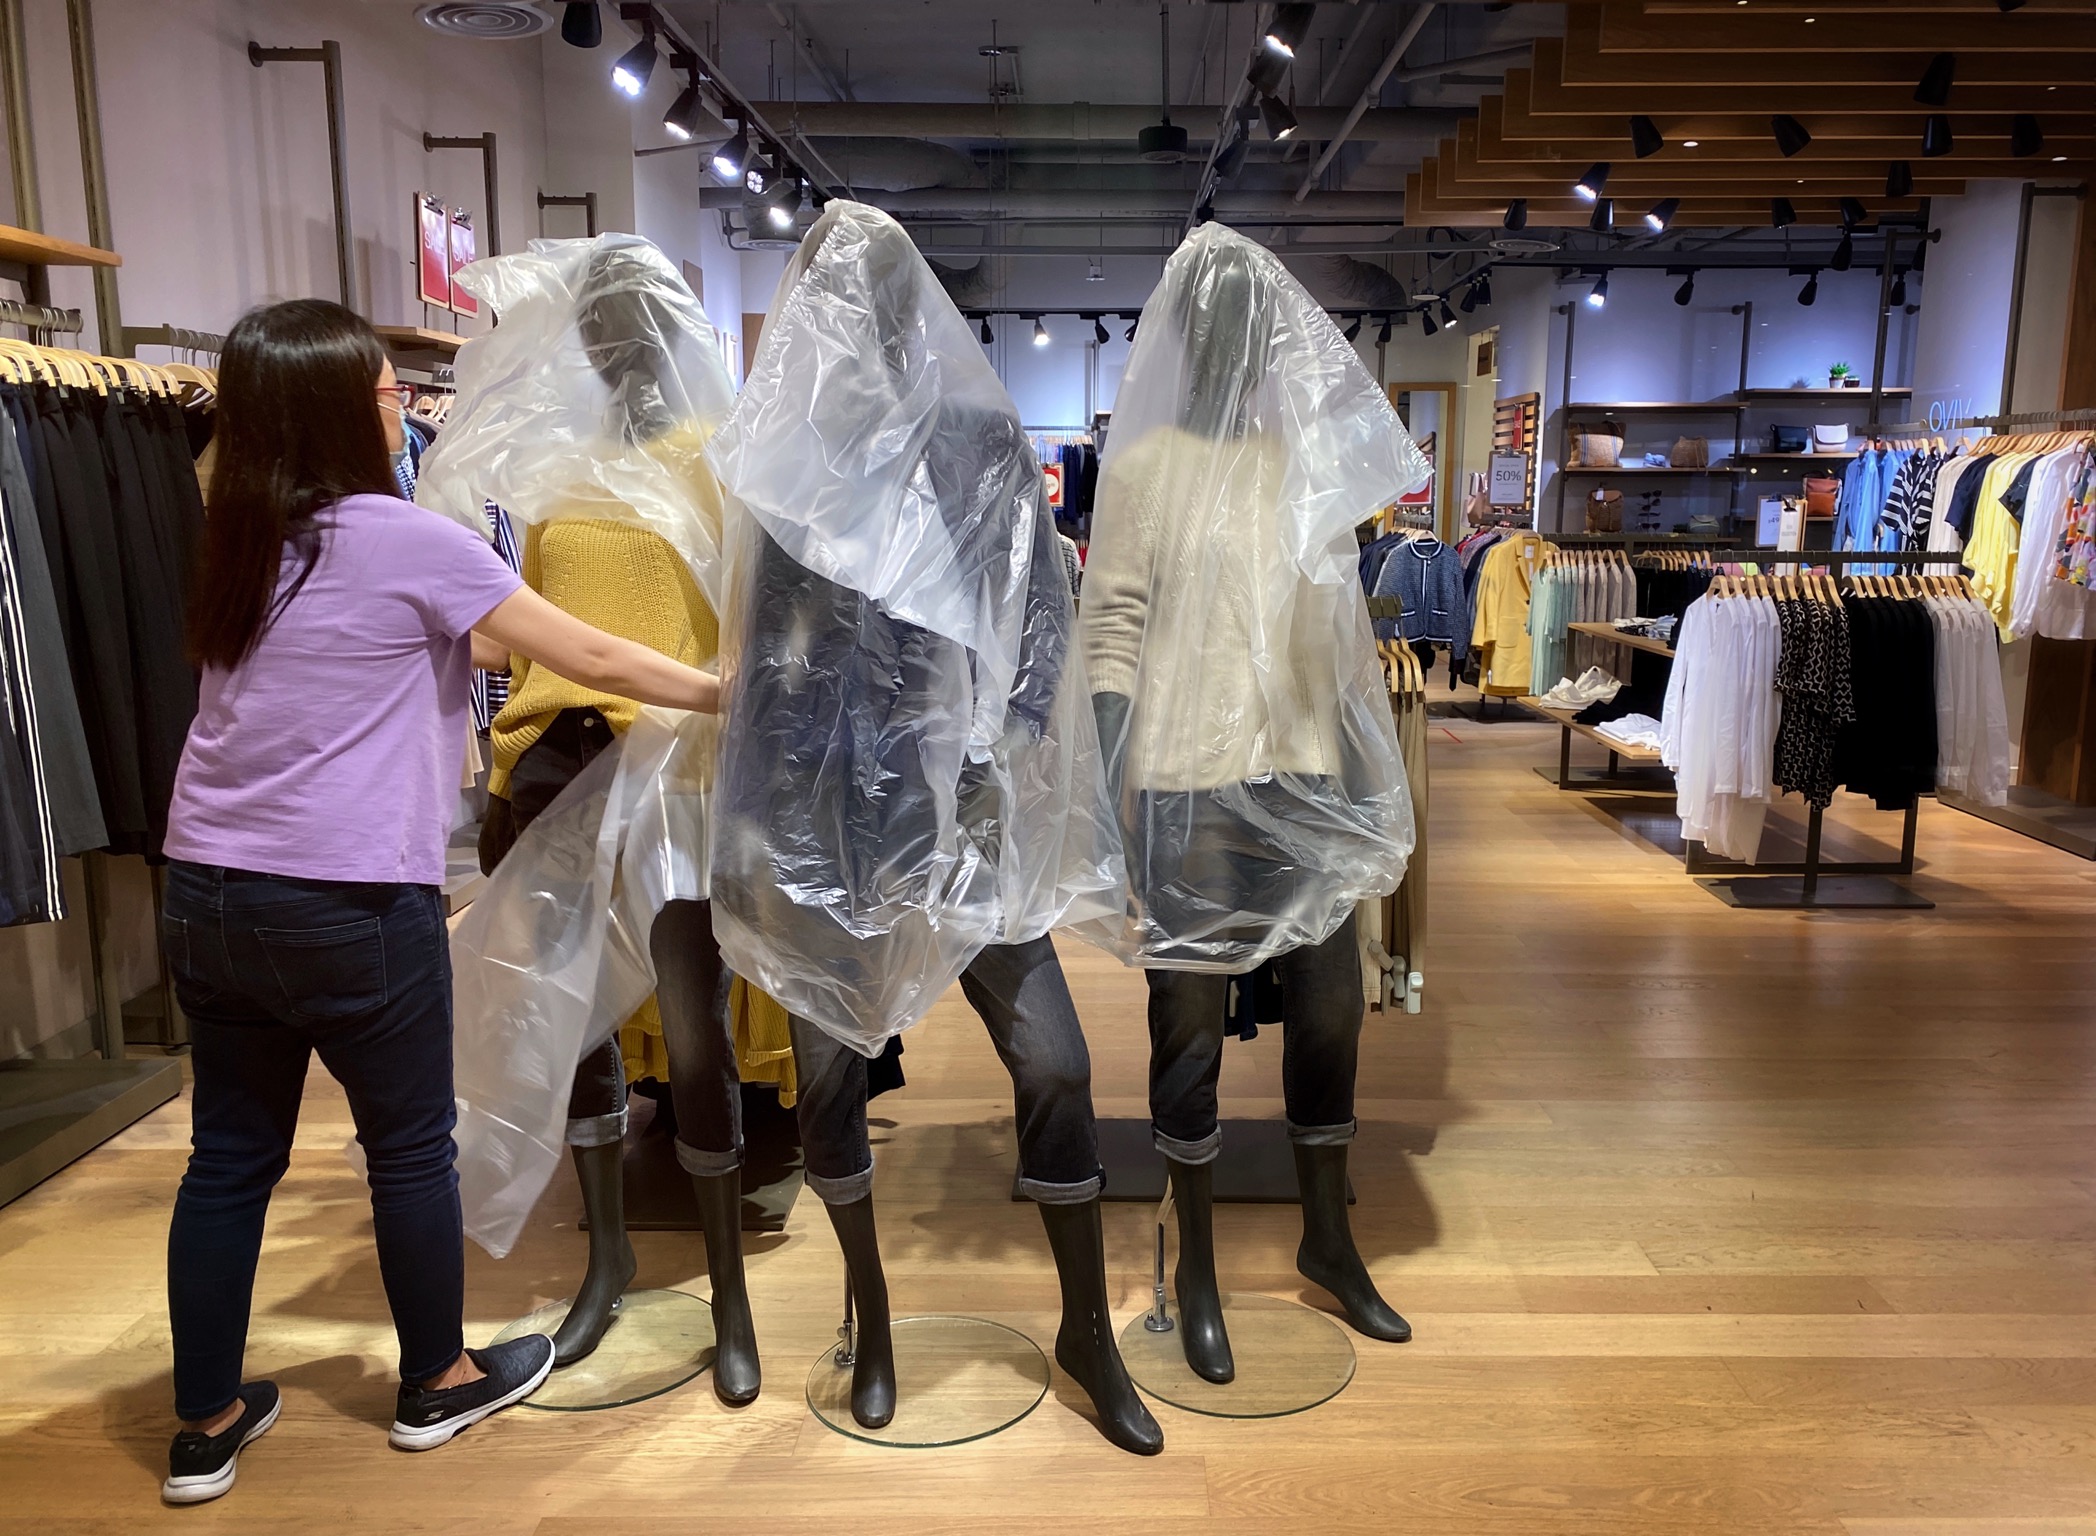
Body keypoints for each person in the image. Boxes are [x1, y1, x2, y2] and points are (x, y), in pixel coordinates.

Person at [158, 299, 720, 1506]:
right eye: (382, 392)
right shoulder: (407, 539)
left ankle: (203, 1423)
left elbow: (462, 655)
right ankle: (437, 1381)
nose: (399, 407)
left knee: (227, 1161)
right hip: (349, 900)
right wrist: (730, 691)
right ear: (338, 413)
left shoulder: (236, 541)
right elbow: (586, 656)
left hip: (204, 892)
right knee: (410, 1147)